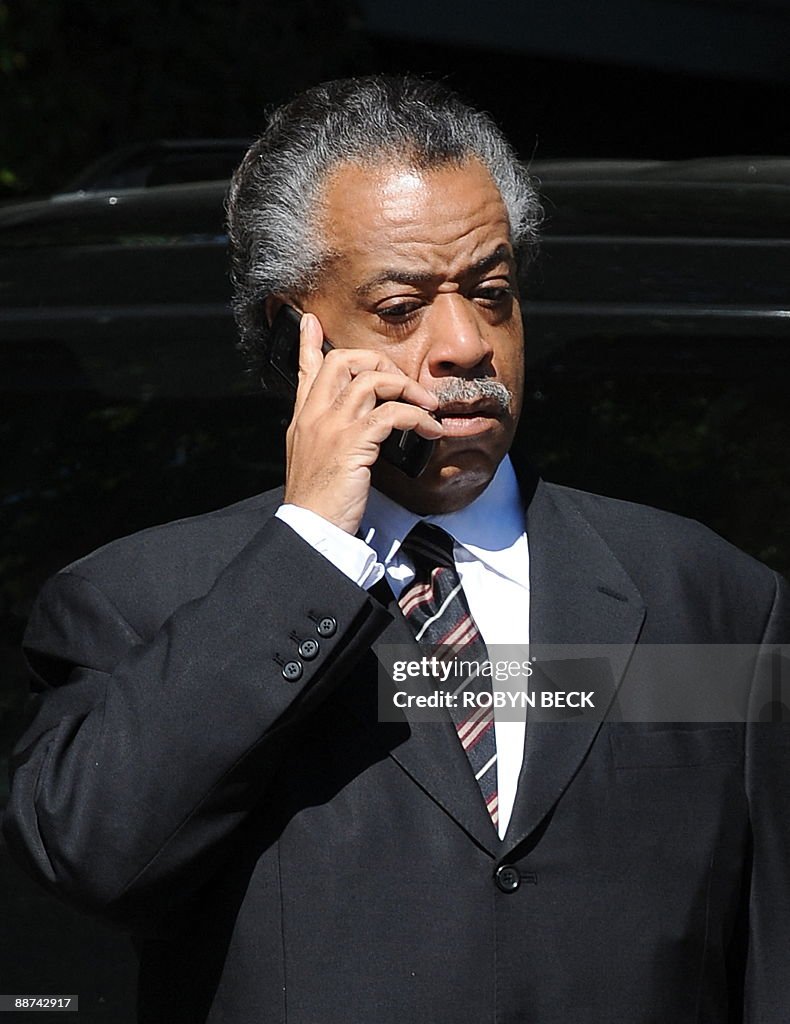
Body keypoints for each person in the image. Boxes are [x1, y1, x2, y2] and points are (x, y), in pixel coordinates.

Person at [3, 75, 789, 1023]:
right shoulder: (136, 602)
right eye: (399, 306)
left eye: (492, 293)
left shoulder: (708, 600)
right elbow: (90, 857)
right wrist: (309, 551)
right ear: (293, 333)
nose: (464, 343)